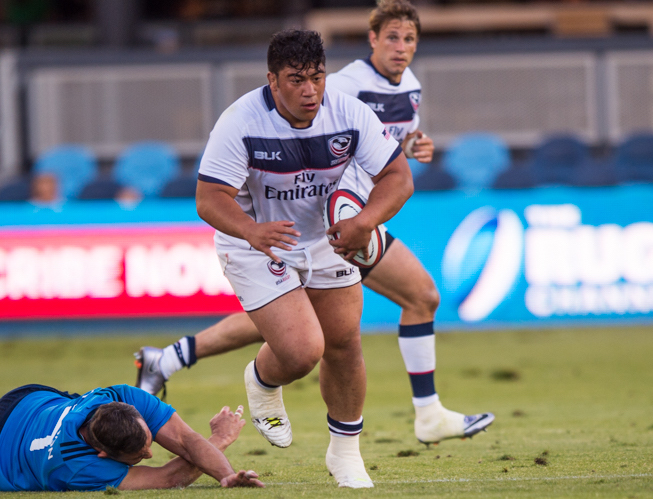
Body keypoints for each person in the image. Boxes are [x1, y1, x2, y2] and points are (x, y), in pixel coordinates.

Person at [136, 0, 494, 448]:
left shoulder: (411, 88)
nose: (401, 48)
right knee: (304, 331)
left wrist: (412, 145)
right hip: (331, 216)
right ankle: (425, 413)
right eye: (392, 38)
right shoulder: (341, 86)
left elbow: (387, 150)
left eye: (410, 39)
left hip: (354, 217)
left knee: (397, 302)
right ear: (372, 40)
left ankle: (168, 359)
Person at [187, 28, 412, 488]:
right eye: (296, 80)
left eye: (317, 77)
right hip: (254, 241)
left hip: (326, 236)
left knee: (345, 343)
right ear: (273, 81)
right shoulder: (241, 121)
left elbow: (397, 175)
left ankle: (345, 454)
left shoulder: (348, 112)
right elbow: (209, 199)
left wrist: (366, 220)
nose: (310, 90)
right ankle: (263, 381)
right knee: (303, 350)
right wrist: (252, 230)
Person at [0, 383, 263, 491]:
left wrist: (225, 475)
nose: (150, 453)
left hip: (32, 398)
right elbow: (167, 477)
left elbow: (184, 440)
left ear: (136, 411)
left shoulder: (124, 395)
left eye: (148, 443)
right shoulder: (77, 466)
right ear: (103, 454)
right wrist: (220, 439)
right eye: (139, 455)